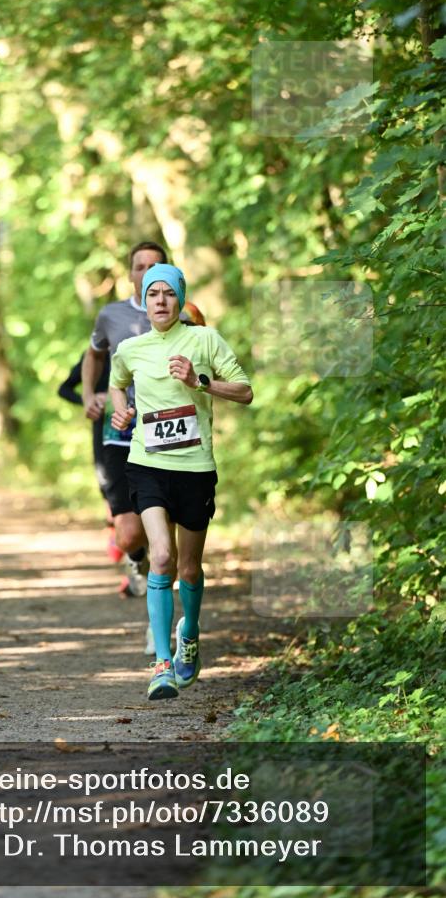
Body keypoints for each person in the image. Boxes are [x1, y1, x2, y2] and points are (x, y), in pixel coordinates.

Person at [109, 264, 253, 700]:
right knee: (161, 556)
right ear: (144, 301)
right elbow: (117, 382)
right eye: (152, 294)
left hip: (195, 468)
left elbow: (245, 391)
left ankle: (189, 632)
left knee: (189, 568)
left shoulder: (205, 340)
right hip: (147, 465)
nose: (160, 300)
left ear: (180, 299)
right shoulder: (131, 348)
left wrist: (199, 382)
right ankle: (162, 663)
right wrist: (122, 411)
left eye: (168, 293)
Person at [82, 241, 170, 600]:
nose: (147, 273)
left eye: (155, 267)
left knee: (167, 526)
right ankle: (137, 556)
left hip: (166, 429)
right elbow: (93, 355)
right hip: (120, 429)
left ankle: (159, 589)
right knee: (130, 535)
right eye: (139, 267)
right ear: (130, 273)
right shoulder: (111, 315)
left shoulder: (185, 314)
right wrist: (89, 395)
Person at [58, 353, 123, 562]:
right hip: (103, 430)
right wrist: (89, 401)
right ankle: (116, 533)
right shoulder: (94, 356)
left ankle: (137, 548)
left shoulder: (137, 346)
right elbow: (64, 389)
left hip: (135, 429)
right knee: (106, 483)